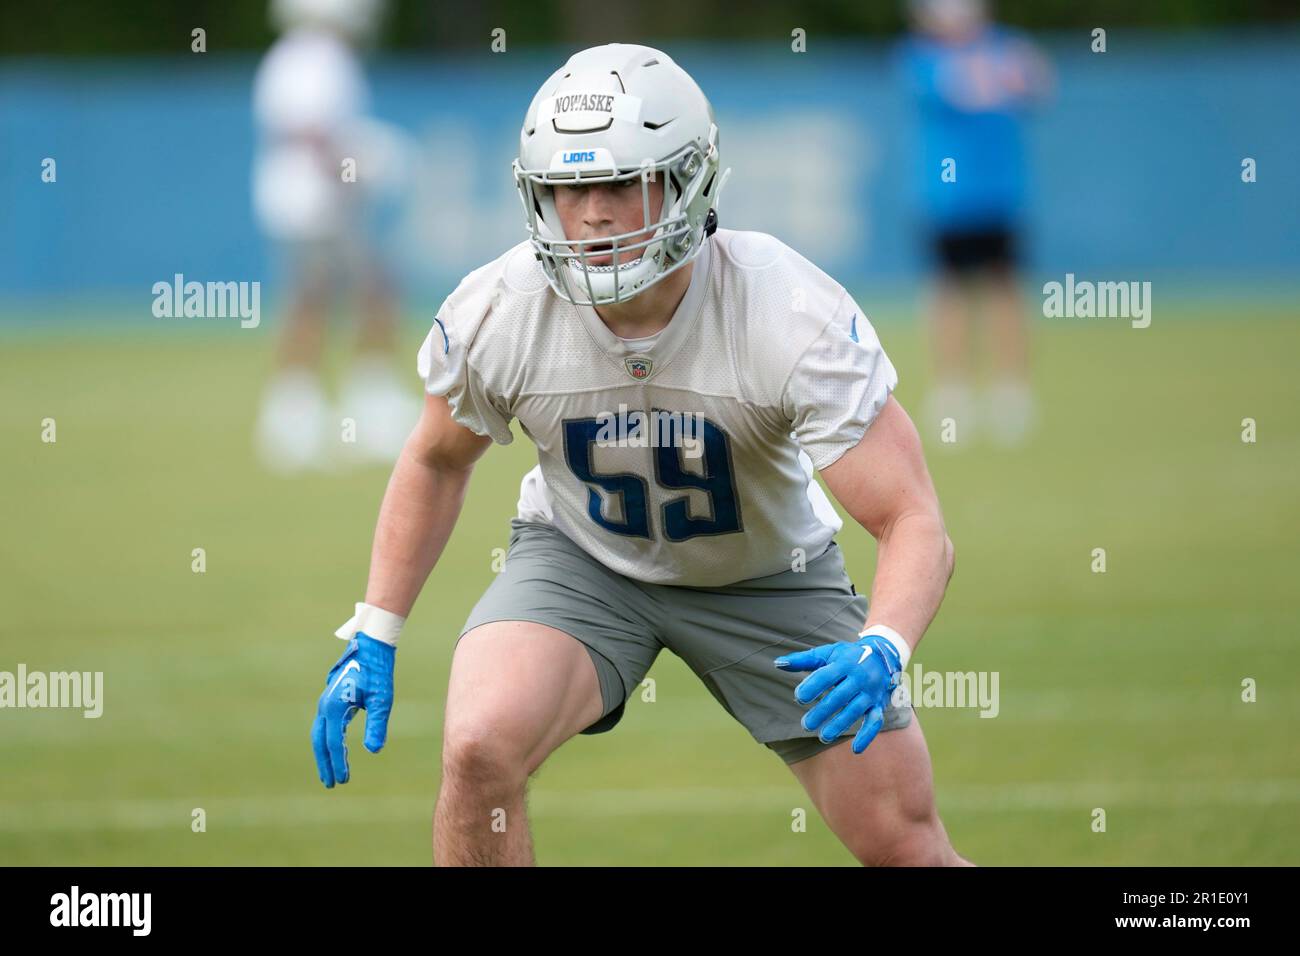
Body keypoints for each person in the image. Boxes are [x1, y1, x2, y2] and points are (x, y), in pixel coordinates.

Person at [312, 43, 970, 867]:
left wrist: (885, 643)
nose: (590, 213)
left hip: (766, 577)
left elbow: (914, 520)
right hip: (584, 562)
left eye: (620, 182)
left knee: (906, 847)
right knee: (479, 745)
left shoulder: (784, 310)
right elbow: (438, 459)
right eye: (567, 186)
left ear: (688, 179)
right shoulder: (500, 309)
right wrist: (376, 629)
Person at [251, 0, 417, 472]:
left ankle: (298, 416)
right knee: (371, 291)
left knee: (316, 298)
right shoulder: (320, 57)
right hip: (318, 204)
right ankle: (362, 409)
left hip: (299, 203)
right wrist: (358, 170)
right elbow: (314, 132)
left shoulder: (290, 55)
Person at [900, 0, 1052, 446]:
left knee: (1006, 288)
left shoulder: (1008, 46)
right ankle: (952, 391)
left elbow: (1039, 84)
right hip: (947, 198)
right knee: (949, 291)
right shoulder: (921, 57)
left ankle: (1012, 392)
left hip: (1001, 195)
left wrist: (1008, 72)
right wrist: (1000, 75)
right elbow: (968, 89)